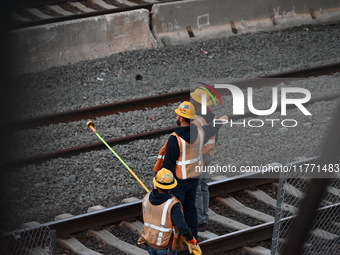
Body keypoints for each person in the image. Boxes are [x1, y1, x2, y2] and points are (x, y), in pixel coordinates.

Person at [153, 101, 227, 238]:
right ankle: (193, 236)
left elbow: (168, 165)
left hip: (179, 181)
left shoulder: (175, 139)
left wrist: (160, 183)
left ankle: (177, 238)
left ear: (181, 118)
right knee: (190, 208)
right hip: (194, 177)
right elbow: (212, 128)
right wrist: (221, 120)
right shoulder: (200, 132)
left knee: (176, 210)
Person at [138, 168, 202, 255]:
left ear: (155, 184)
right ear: (172, 186)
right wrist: (192, 241)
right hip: (164, 245)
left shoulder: (146, 198)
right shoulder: (172, 204)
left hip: (149, 241)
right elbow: (181, 225)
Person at [191, 87, 217, 232]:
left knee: (197, 189)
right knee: (204, 187)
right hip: (209, 155)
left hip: (199, 156)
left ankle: (199, 221)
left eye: (193, 100)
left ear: (197, 103)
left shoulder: (197, 120)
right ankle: (204, 218)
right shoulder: (212, 116)